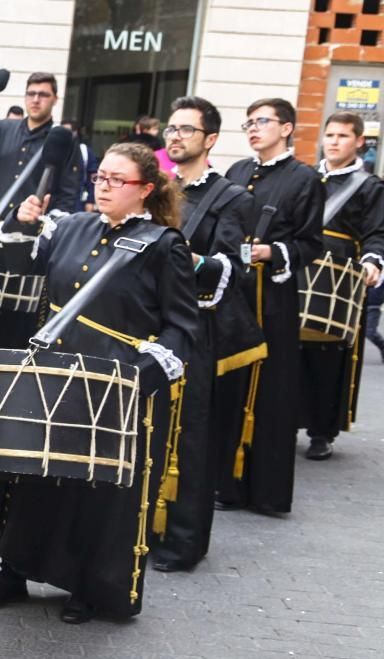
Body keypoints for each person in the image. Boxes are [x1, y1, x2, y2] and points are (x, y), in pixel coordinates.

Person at [0, 142, 196, 622]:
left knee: (90, 491)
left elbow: (182, 329)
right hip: (50, 374)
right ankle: (12, 573)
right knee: (27, 473)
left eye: (118, 180)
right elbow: (17, 268)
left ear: (146, 189)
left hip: (108, 385)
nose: (105, 186)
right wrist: (23, 225)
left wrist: (139, 380)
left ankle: (85, 587)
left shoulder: (163, 246)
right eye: (100, 177)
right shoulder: (70, 227)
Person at [151, 96, 254, 573]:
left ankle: (183, 542)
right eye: (171, 129)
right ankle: (142, 529)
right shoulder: (157, 187)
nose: (175, 137)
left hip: (198, 327)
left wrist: (190, 260)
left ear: (210, 139)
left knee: (187, 437)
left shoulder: (233, 198)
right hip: (150, 323)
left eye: (186, 130)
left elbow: (235, 270)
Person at [218, 99, 323, 515]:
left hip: (272, 297)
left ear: (287, 128)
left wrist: (271, 251)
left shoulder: (305, 179)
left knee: (270, 389)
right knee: (230, 384)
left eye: (262, 121)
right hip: (234, 291)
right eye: (249, 122)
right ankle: (224, 484)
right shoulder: (238, 172)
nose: (253, 128)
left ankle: (264, 491)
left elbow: (310, 243)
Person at [0, 71, 80, 350]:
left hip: (28, 245)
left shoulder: (63, 140)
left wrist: (46, 226)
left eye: (43, 94)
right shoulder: (4, 130)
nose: (36, 100)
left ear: (55, 99)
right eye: (31, 93)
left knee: (17, 318)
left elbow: (68, 197)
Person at [299, 113, 384, 460]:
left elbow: (377, 231)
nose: (333, 142)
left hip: (341, 278)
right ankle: (284, 420)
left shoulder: (368, 186)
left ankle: (322, 431)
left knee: (329, 356)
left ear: (359, 142)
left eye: (343, 136)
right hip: (301, 268)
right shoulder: (304, 178)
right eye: (329, 134)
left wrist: (373, 260)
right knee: (289, 353)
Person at [61, 118, 98, 212]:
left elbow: (92, 178)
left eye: (68, 131)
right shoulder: (56, 151)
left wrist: (90, 200)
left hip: (78, 202)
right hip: (57, 202)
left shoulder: (85, 151)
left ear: (75, 132)